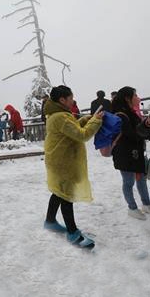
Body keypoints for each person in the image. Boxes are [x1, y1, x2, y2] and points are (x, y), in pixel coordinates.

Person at [43, 86, 103, 248]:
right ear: (62, 100)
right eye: (71, 98)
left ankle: (50, 221)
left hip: (58, 160)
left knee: (59, 191)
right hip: (63, 162)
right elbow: (82, 135)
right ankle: (72, 232)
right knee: (66, 195)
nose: (73, 100)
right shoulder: (61, 116)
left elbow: (72, 128)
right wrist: (96, 121)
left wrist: (86, 119)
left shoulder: (57, 115)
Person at [111, 87, 150, 220]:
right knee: (128, 182)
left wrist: (145, 124)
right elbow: (132, 135)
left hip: (136, 153)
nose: (138, 97)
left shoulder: (131, 112)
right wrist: (146, 125)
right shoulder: (121, 115)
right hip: (125, 155)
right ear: (128, 98)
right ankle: (132, 208)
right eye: (135, 95)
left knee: (142, 179)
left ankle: (146, 204)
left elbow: (139, 132)